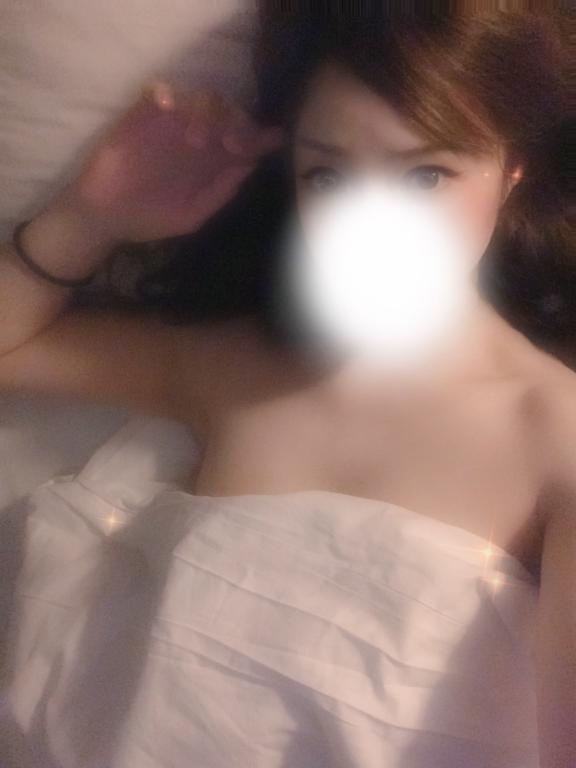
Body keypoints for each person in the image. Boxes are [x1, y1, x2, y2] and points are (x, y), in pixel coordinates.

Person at [0, 2, 574, 766]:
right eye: (329, 175)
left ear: (512, 169)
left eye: (425, 174)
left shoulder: (556, 436)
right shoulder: (242, 367)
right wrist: (88, 216)